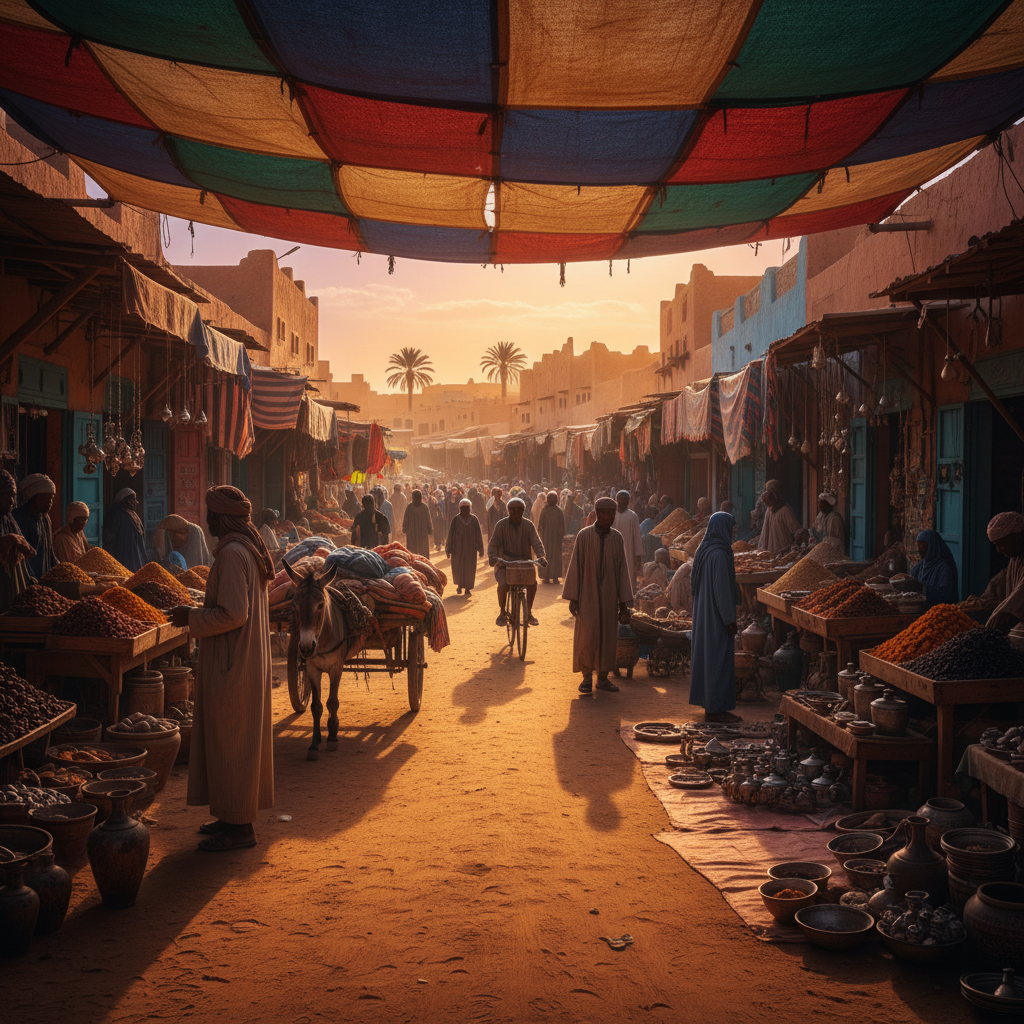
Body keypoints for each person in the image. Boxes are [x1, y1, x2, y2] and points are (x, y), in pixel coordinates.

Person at [168, 485, 274, 852]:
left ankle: (241, 829)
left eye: (210, 516)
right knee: (228, 741)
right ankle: (230, 816)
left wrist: (190, 616)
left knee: (231, 740)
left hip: (234, 662)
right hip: (240, 658)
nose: (207, 521)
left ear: (221, 518)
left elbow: (235, 613)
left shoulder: (232, 553)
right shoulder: (244, 549)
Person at [562, 496, 633, 694]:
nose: (610, 517)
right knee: (588, 635)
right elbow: (576, 566)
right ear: (598, 513)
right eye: (606, 513)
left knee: (608, 636)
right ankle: (586, 677)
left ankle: (603, 678)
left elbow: (622, 571)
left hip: (610, 596)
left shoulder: (617, 538)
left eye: (612, 513)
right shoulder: (584, 536)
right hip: (587, 596)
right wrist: (574, 598)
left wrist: (623, 604)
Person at [689, 511, 741, 723]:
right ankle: (716, 708)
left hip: (705, 612)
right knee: (718, 660)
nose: (733, 533)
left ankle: (711, 703)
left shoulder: (705, 549)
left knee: (708, 659)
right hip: (716, 617)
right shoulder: (719, 554)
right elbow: (721, 591)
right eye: (731, 528)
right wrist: (729, 619)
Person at [488, 497, 547, 628]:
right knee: (503, 584)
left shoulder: (528, 525)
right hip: (505, 563)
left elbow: (537, 543)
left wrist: (541, 556)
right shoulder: (501, 525)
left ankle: (529, 612)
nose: (515, 513)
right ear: (508, 511)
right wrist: (492, 557)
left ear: (523, 511)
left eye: (519, 510)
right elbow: (493, 544)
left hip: (525, 563)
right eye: (513, 510)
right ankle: (502, 612)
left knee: (532, 584)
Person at [0, 470, 34, 611]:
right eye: (5, 495)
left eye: (13, 496)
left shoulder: (8, 519)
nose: (11, 500)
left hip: (12, 587)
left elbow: (23, 557)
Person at [985, 512, 1024, 632]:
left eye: (1001, 545)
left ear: (1015, 538)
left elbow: (1020, 593)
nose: (999, 551)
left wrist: (1003, 613)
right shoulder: (1016, 559)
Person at [14, 473, 56, 579]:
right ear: (32, 497)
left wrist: (61, 568)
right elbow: (20, 555)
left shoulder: (45, 519)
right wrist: (29, 577)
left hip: (43, 578)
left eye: (51, 498)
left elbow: (49, 551)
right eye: (45, 498)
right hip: (23, 579)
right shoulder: (18, 518)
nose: (49, 502)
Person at [910, 528, 959, 608]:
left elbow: (944, 595)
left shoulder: (945, 567)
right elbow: (912, 580)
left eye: (922, 545)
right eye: (918, 545)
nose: (919, 549)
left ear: (932, 546)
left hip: (941, 612)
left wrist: (923, 588)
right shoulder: (922, 565)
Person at [102, 487, 147, 572]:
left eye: (135, 500)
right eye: (131, 500)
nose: (135, 503)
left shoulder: (132, 513)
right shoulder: (115, 513)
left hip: (136, 553)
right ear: (124, 500)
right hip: (122, 552)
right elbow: (108, 535)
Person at [446, 498, 484, 597]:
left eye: (466, 508)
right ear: (460, 508)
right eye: (463, 508)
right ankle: (460, 585)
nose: (465, 510)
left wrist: (480, 549)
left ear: (470, 508)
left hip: (469, 549)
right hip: (458, 549)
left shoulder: (474, 519)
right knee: (459, 566)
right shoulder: (456, 520)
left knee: (469, 567)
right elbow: (451, 535)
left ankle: (467, 588)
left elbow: (478, 535)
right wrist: (448, 549)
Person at [613, 489, 643, 594]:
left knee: (629, 578)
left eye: (626, 500)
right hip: (613, 552)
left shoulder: (633, 516)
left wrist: (638, 556)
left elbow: (637, 537)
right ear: (617, 500)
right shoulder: (612, 515)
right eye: (622, 500)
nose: (624, 502)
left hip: (629, 553)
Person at [758, 489, 802, 554]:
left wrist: (799, 534)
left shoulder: (785, 510)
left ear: (772, 499)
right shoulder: (769, 509)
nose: (766, 504)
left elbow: (793, 526)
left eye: (767, 502)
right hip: (770, 549)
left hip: (782, 547)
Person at [538, 491, 566, 585]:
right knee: (546, 556)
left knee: (556, 557)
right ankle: (546, 577)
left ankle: (555, 577)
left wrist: (562, 536)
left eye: (554, 498)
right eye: (550, 498)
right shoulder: (544, 510)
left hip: (556, 539)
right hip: (546, 539)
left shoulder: (559, 511)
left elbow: (562, 525)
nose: (552, 500)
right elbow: (540, 525)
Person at [402, 489, 433, 557]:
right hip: (423, 533)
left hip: (411, 533)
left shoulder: (409, 507)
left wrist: (404, 529)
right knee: (423, 551)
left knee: (412, 551)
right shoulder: (424, 507)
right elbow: (428, 520)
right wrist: (430, 530)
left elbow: (405, 520)